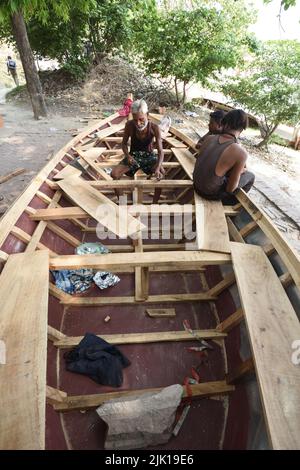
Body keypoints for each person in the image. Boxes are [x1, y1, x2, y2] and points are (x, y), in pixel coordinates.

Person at [193, 109, 255, 204]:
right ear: (242, 128)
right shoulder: (241, 153)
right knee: (250, 176)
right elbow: (231, 189)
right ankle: (227, 204)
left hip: (195, 185)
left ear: (224, 123)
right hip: (208, 193)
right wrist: (241, 171)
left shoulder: (209, 138)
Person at [111, 99, 165, 202]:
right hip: (133, 156)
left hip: (149, 155)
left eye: (141, 119)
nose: (138, 123)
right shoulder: (129, 125)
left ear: (147, 115)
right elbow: (123, 144)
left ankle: (154, 203)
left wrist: (157, 168)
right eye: (135, 119)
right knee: (114, 174)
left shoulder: (154, 127)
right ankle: (122, 202)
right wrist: (128, 156)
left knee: (161, 173)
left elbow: (161, 151)